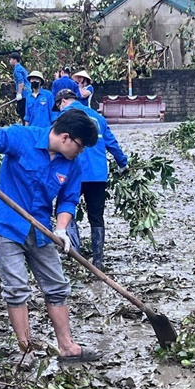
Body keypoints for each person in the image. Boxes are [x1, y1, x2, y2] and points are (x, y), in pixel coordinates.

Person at [0, 108, 101, 363]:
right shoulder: (22, 137)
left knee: (57, 286)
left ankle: (67, 347)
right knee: (16, 288)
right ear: (66, 138)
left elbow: (68, 200)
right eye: (80, 147)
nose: (80, 153)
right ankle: (26, 351)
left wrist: (61, 228)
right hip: (8, 226)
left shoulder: (72, 164)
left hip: (41, 230)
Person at [55, 89, 128, 270]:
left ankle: (75, 253)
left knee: (66, 208)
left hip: (72, 175)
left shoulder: (63, 118)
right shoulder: (98, 117)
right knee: (96, 216)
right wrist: (123, 163)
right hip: (97, 175)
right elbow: (112, 143)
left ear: (62, 102)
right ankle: (98, 260)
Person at [9, 51, 29, 122]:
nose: (10, 61)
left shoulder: (17, 70)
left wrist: (19, 93)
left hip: (24, 94)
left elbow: (21, 82)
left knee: (23, 113)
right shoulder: (22, 68)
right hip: (28, 93)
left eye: (10, 59)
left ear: (15, 60)